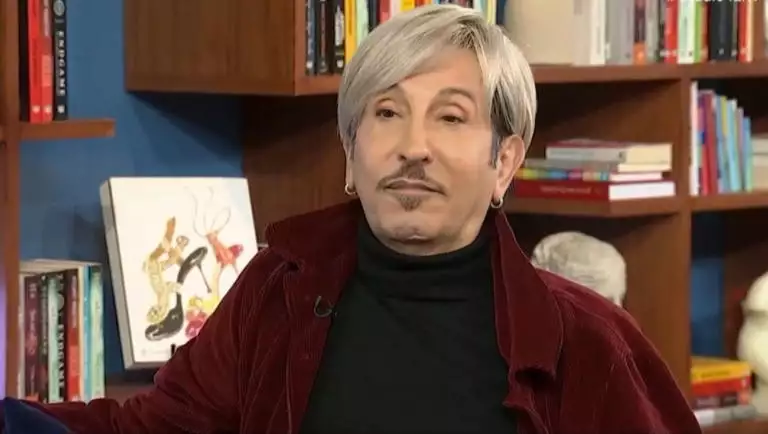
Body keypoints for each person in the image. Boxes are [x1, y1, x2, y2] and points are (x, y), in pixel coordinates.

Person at [2, 4, 701, 434]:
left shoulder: (585, 340)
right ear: (350, 151)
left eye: (451, 117)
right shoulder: (276, 291)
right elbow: (157, 430)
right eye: (386, 112)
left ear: (505, 161)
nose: (412, 146)